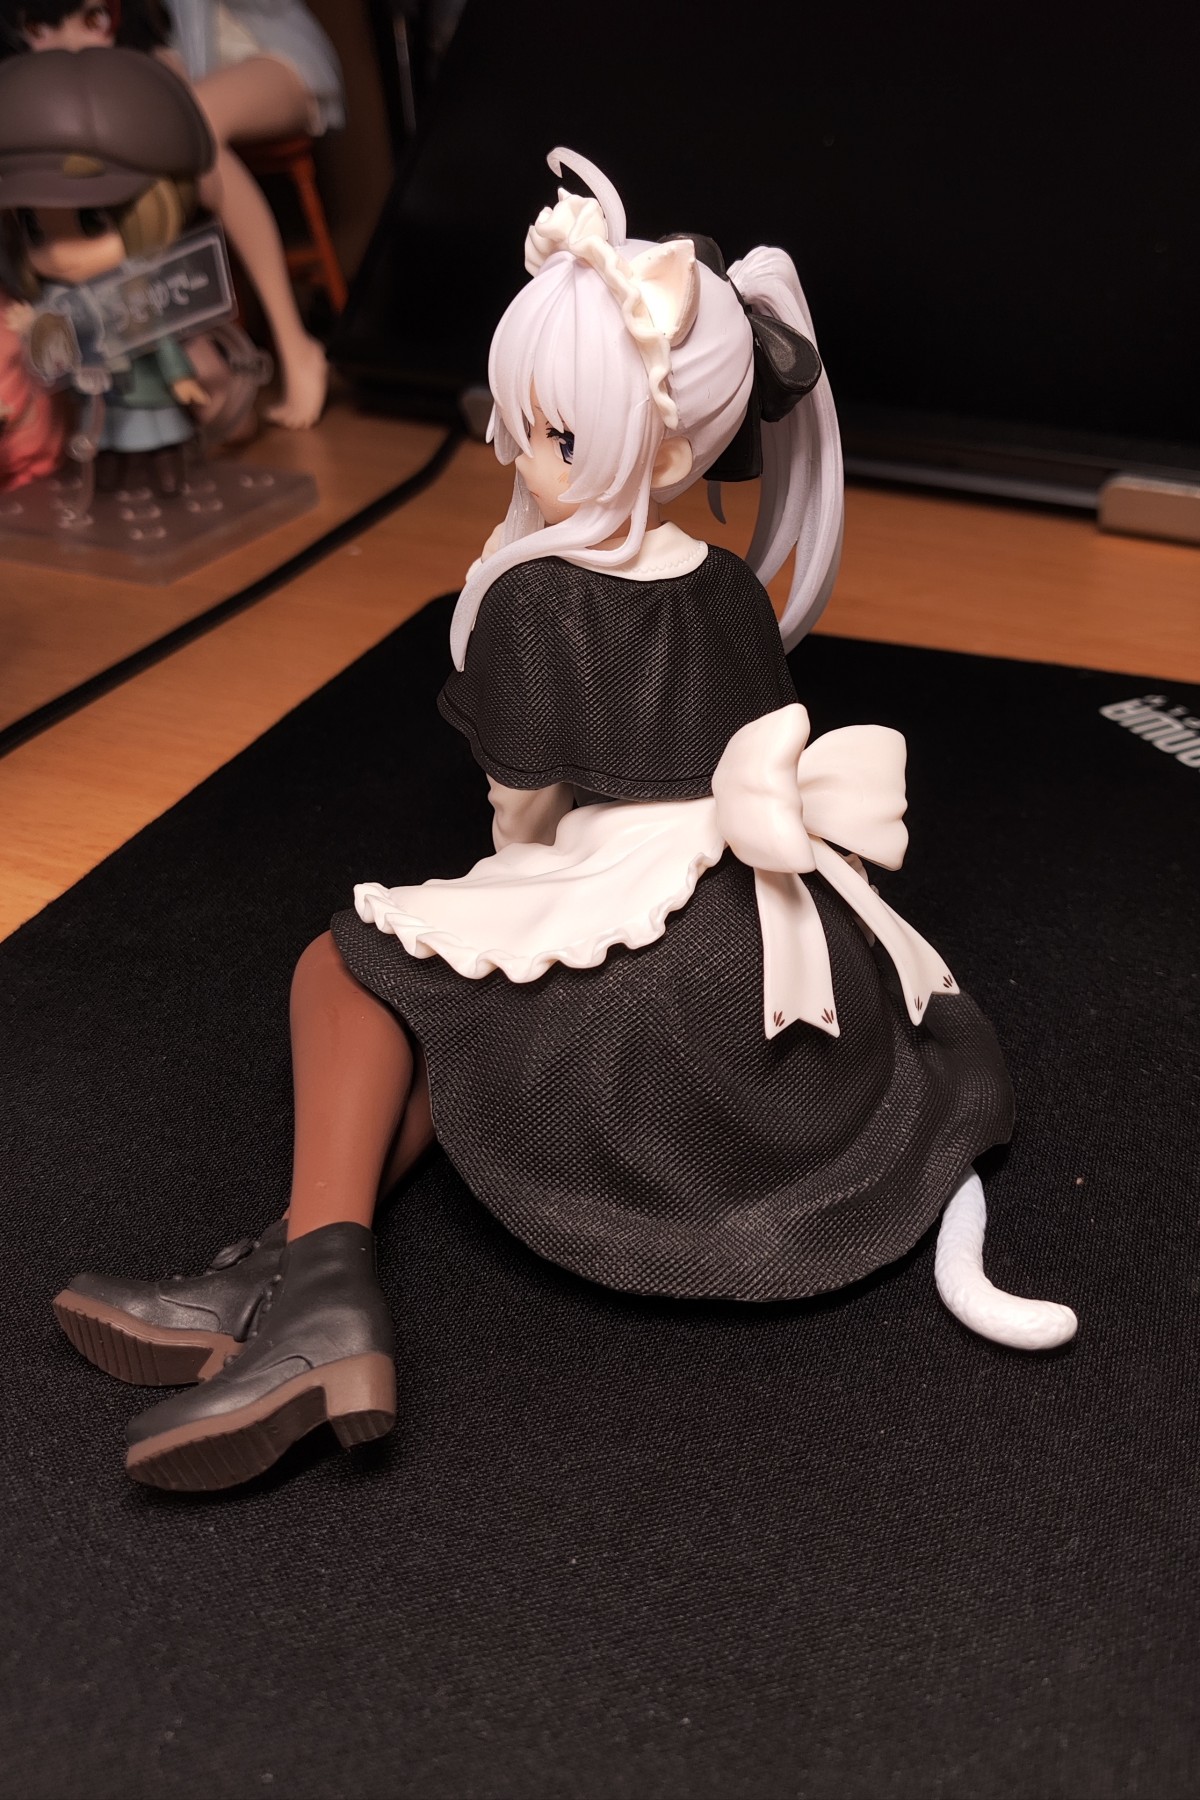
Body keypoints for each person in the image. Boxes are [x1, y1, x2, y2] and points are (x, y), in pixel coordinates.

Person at [53, 149, 1077, 1494]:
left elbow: (522, 810)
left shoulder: (539, 597)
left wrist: (507, 584)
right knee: (446, 1000)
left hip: (655, 952)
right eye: (523, 422)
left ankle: (322, 1313)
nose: (521, 452)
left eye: (557, 433)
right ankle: (282, 1273)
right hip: (770, 944)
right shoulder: (729, 584)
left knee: (345, 967)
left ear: (660, 446)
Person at [1, 0, 342, 428]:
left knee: (187, 125)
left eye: (93, 20)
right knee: (124, 146)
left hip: (258, 50)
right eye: (39, 28)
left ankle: (294, 345)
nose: (70, 43)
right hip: (159, 69)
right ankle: (185, 348)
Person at [0, 46, 215, 493]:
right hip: (96, 393)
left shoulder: (135, 289)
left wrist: (180, 377)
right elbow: (55, 339)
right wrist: (33, 324)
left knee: (157, 440)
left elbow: (160, 335)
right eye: (36, 230)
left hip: (143, 387)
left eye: (92, 223)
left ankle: (166, 474)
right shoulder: (55, 293)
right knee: (106, 450)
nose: (63, 254)